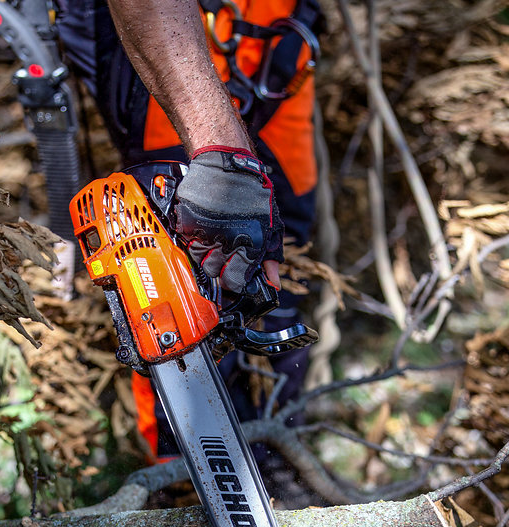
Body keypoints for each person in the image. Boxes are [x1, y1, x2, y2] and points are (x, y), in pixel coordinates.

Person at [59, 0, 321, 481]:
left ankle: (279, 457)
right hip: (173, 25)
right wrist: (222, 151)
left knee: (277, 248)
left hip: (275, 35)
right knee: (178, 248)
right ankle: (189, 480)